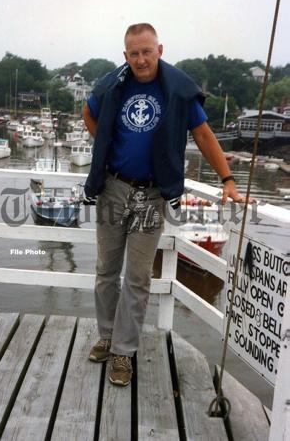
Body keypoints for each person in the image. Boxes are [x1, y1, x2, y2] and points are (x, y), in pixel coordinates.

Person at [83, 23, 246, 387]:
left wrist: (228, 181)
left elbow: (203, 134)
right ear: (125, 56)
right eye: (134, 53)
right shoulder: (112, 86)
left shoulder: (177, 90)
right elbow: (87, 110)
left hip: (152, 195)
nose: (141, 59)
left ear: (160, 50)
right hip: (113, 188)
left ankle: (123, 352)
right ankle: (107, 336)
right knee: (106, 270)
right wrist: (103, 145)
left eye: (147, 51)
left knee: (138, 276)